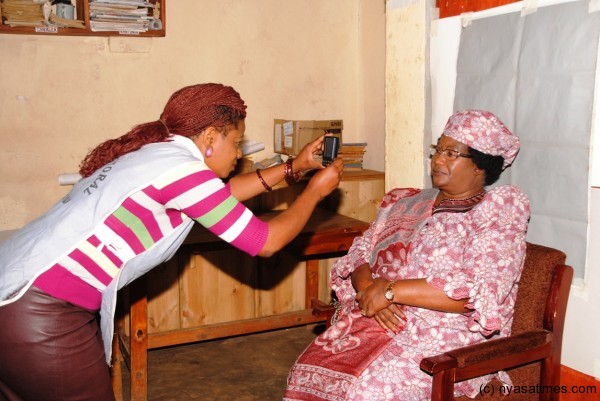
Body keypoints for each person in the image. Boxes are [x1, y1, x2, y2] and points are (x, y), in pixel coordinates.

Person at [0, 83, 343, 401]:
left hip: (15, 290)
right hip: (42, 309)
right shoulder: (185, 171)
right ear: (211, 135)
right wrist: (313, 192)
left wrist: (295, 167)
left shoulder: (159, 154)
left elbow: (219, 198)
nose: (238, 153)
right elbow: (266, 241)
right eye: (235, 143)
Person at [284, 109, 530, 401]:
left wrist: (390, 291)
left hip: (444, 337)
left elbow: (478, 291)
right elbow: (361, 252)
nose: (438, 159)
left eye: (452, 154)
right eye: (437, 150)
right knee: (306, 372)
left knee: (367, 393)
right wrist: (369, 291)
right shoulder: (406, 201)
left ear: (480, 165)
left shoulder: (499, 210)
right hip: (376, 316)